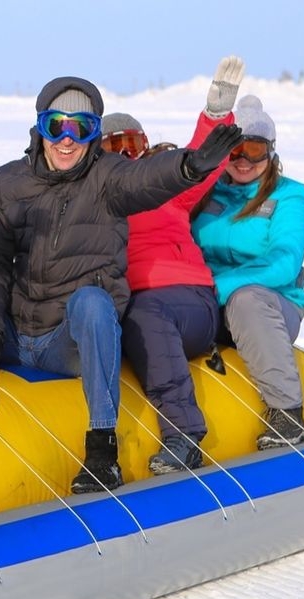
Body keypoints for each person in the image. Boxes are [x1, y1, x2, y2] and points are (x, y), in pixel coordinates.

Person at [0, 76, 243, 495]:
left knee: (94, 303)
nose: (67, 139)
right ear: (39, 126)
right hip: (17, 331)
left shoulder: (109, 179)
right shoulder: (9, 184)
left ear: (94, 134)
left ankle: (101, 451)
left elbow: (150, 177)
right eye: (55, 125)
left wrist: (188, 166)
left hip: (68, 342)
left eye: (81, 127)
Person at [102, 56, 245, 475]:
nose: (126, 155)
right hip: (128, 304)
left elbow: (202, 162)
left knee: (146, 316)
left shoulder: (164, 184)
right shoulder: (96, 197)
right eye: (114, 147)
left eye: (132, 144)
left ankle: (183, 435)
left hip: (188, 302)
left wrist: (216, 114)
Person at [191, 95, 304, 451]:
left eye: (255, 150)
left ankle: (288, 414)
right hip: (207, 299)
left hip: (271, 303)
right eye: (235, 150)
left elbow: (284, 261)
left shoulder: (289, 195)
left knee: (246, 300)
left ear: (271, 152)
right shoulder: (208, 192)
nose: (244, 161)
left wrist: (215, 288)